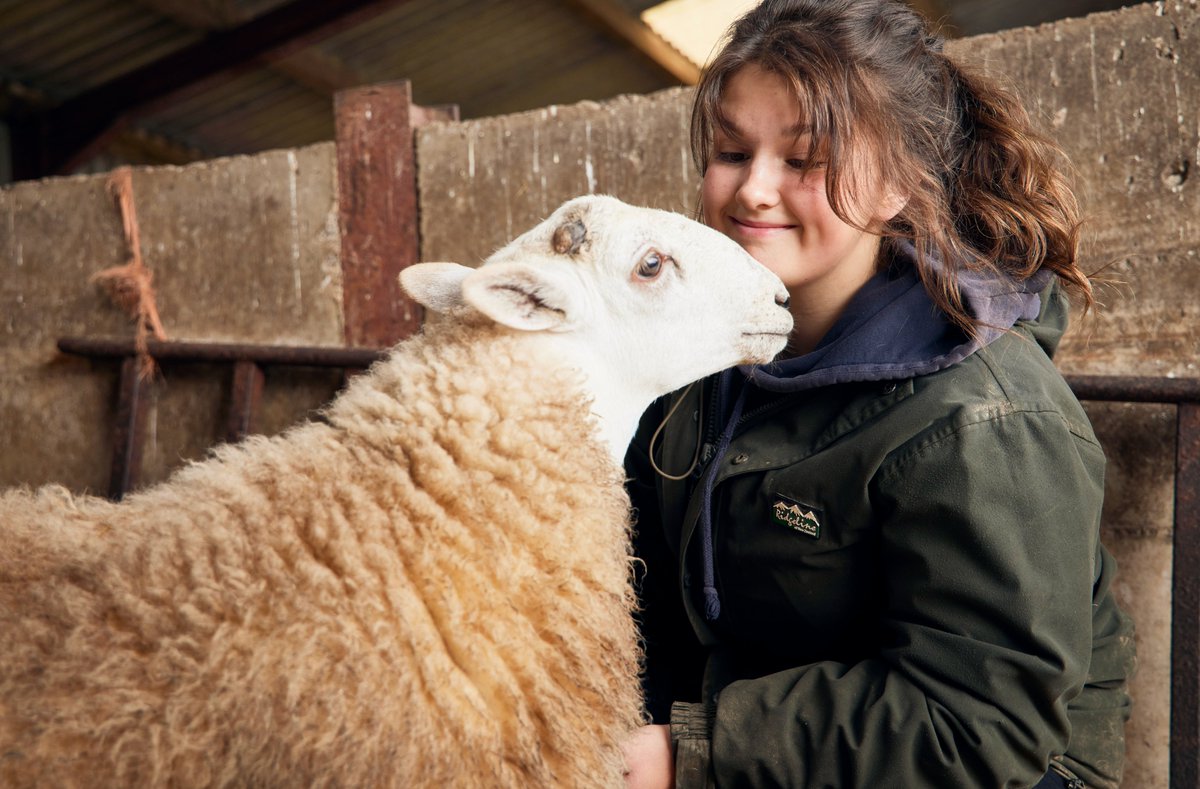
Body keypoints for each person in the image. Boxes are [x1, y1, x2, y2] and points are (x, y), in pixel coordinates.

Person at [620, 1, 1137, 787]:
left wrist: (694, 751)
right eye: (731, 150)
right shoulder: (698, 361)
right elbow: (645, 593)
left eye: (803, 159)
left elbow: (977, 721)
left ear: (898, 180)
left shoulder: (984, 416)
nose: (753, 189)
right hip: (762, 737)